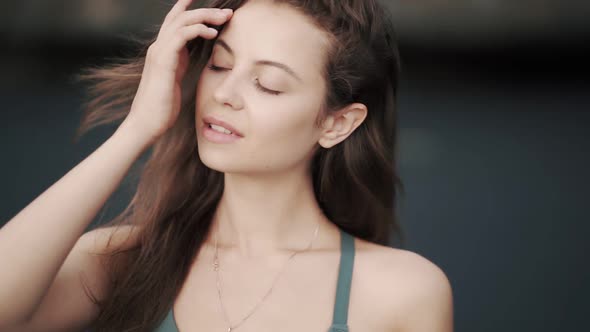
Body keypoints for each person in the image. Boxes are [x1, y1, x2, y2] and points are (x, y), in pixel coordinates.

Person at [0, 0, 454, 331]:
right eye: (220, 64)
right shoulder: (127, 263)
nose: (224, 94)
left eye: (268, 84)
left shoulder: (403, 292)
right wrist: (136, 130)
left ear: (337, 124)